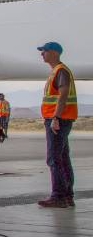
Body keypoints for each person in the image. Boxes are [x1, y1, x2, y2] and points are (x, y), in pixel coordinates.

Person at [37, 42, 77, 208]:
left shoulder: (60, 71)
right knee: (63, 158)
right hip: (61, 119)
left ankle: (59, 196)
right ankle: (67, 196)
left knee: (54, 159)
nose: (42, 54)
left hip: (58, 120)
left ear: (54, 52)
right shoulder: (57, 71)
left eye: (44, 51)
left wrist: (55, 117)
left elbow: (63, 95)